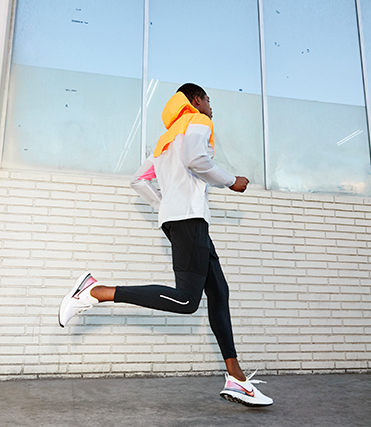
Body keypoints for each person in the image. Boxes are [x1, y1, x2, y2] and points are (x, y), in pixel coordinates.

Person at [58, 83, 272, 407]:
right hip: (190, 221)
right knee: (187, 301)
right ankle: (96, 291)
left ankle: (236, 378)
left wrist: (165, 204)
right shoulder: (198, 121)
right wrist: (232, 182)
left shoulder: (165, 140)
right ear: (196, 100)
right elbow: (197, 159)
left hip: (182, 221)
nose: (212, 107)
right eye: (209, 101)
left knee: (219, 292)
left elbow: (138, 180)